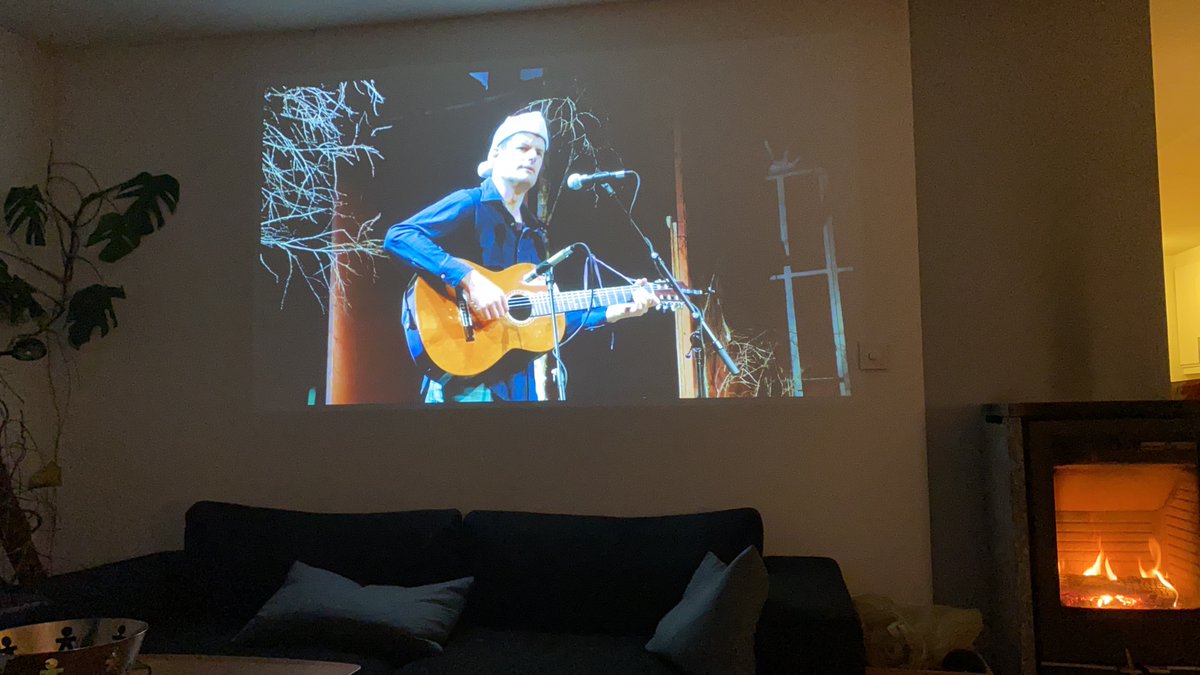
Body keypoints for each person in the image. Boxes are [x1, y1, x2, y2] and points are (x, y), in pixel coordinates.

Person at [384, 111, 658, 403]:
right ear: (496, 154)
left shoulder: (535, 235)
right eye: (523, 148)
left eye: (539, 153)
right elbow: (399, 237)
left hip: (517, 387)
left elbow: (546, 319)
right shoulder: (471, 203)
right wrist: (470, 279)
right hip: (464, 379)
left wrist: (613, 312)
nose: (532, 157)